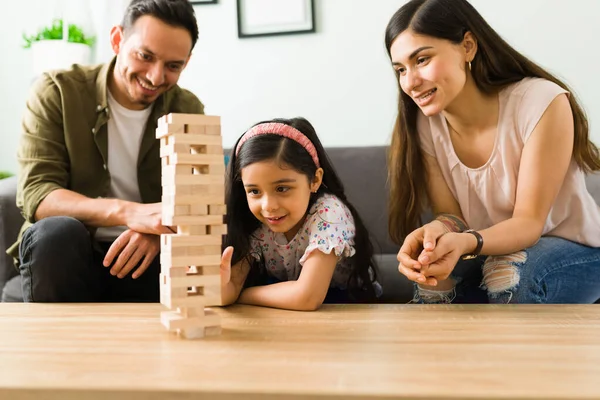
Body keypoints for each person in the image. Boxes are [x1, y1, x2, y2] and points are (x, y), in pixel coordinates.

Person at [385, 0, 600, 304]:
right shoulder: (425, 124)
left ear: (468, 46)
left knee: (508, 273)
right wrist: (435, 233)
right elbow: (453, 217)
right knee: (434, 281)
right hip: (490, 250)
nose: (410, 82)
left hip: (577, 250)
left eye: (422, 60)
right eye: (400, 70)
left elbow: (528, 223)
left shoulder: (541, 102)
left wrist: (467, 242)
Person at [6, 0, 204, 302]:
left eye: (173, 66)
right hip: (70, 254)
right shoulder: (57, 91)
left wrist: (157, 229)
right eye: (145, 56)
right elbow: (37, 193)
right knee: (56, 234)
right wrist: (132, 213)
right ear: (117, 40)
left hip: (148, 257)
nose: (155, 77)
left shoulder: (187, 109)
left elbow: (201, 196)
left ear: (187, 63)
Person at [218, 117, 381, 310]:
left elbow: (307, 297)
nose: (268, 206)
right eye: (254, 191)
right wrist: (218, 289)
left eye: (282, 189)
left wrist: (242, 294)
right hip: (283, 307)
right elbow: (231, 288)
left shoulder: (328, 213)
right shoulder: (253, 223)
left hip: (344, 305)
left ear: (314, 180)